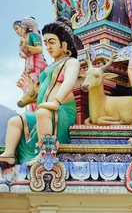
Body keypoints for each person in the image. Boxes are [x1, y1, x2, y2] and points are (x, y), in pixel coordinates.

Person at [0, 18, 82, 168]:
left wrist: (56, 102)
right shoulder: (49, 67)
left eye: (52, 42)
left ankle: (45, 153)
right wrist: (28, 90)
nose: (48, 47)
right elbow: (39, 93)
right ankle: (9, 155)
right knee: (15, 121)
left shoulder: (71, 62)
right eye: (46, 43)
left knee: (43, 112)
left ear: (63, 45)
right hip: (45, 110)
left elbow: (69, 82)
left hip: (62, 111)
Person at [18, 17, 47, 84]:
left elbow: (40, 49)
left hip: (37, 61)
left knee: (35, 81)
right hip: (29, 63)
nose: (17, 31)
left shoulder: (32, 35)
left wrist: (26, 47)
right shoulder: (23, 39)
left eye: (19, 28)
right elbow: (26, 56)